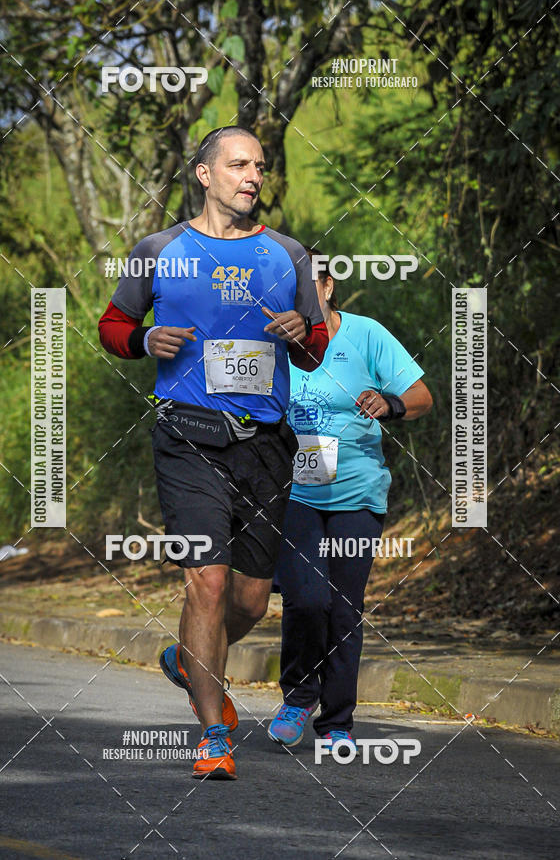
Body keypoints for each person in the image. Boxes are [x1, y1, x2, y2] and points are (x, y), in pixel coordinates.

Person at [98, 127, 328, 779]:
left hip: (266, 446)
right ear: (203, 174)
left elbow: (314, 348)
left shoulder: (289, 257)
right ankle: (211, 734)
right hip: (188, 436)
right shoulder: (158, 250)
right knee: (208, 578)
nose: (252, 175)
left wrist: (299, 334)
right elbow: (112, 325)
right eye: (238, 164)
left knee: (251, 602)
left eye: (259, 165)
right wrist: (146, 341)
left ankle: (188, 659)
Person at [267, 258, 433, 750]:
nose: (297, 298)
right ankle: (299, 697)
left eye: (305, 286)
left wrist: (390, 403)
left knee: (343, 607)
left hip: (357, 494)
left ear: (328, 285)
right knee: (306, 599)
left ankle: (336, 721)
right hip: (295, 493)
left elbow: (421, 395)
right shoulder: (274, 342)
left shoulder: (366, 335)